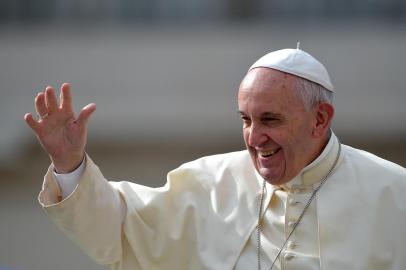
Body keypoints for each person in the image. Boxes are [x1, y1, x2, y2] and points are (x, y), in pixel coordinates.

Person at [25, 47, 406, 270]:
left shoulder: (395, 191)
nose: (255, 138)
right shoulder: (208, 183)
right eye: (246, 120)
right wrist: (70, 162)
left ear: (320, 119)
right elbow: (118, 230)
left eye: (270, 120)